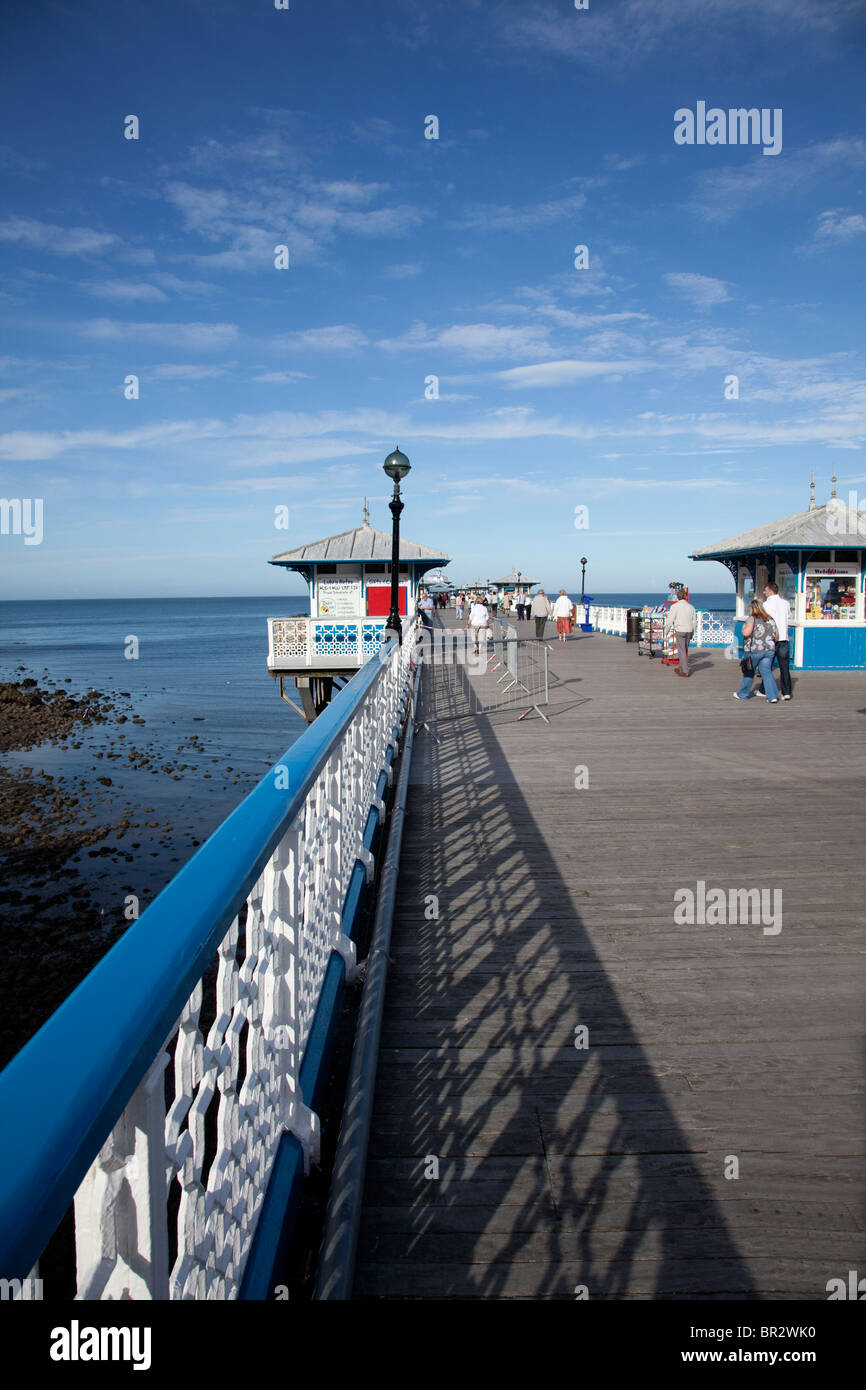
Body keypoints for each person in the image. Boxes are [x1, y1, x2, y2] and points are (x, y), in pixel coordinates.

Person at [733, 600, 779, 702]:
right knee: (766, 672)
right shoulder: (770, 619)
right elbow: (776, 636)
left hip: (754, 650)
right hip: (769, 649)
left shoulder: (752, 619)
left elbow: (746, 633)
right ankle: (773, 696)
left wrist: (744, 627)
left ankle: (742, 694)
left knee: (749, 671)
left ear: (752, 608)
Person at [754, 580, 792, 701]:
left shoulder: (765, 605)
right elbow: (788, 616)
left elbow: (761, 619)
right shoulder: (786, 603)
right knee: (784, 667)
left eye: (765, 590)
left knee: (766, 667)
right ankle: (786, 692)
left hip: (770, 640)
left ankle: (764, 690)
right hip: (783, 639)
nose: (764, 592)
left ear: (770, 591)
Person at [664, 586, 697, 677]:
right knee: (684, 650)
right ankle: (681, 667)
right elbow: (694, 622)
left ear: (677, 597)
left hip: (680, 630)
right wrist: (693, 632)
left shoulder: (675, 606)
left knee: (681, 650)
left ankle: (685, 671)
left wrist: (666, 631)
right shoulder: (691, 607)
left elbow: (670, 620)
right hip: (689, 630)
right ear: (685, 597)